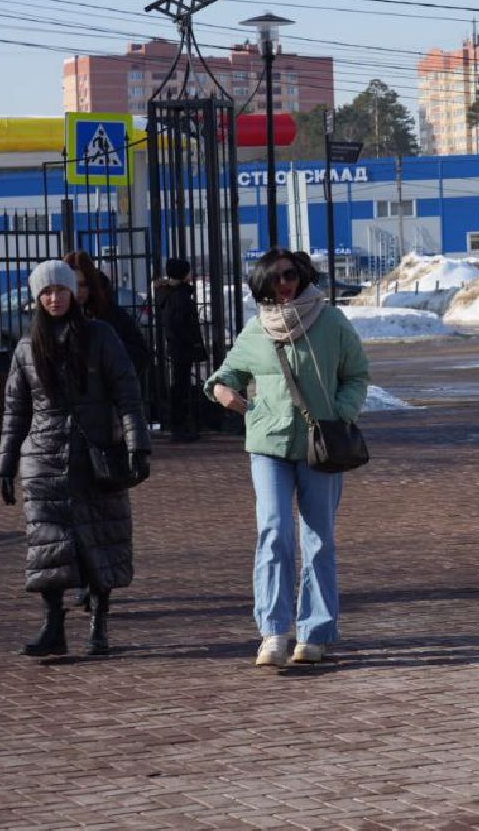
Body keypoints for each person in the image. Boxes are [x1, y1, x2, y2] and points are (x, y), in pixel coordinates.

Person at [204, 247, 369, 667]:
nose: (284, 283)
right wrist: (225, 392)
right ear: (261, 283)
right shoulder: (256, 330)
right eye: (275, 277)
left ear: (303, 275)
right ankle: (274, 631)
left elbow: (357, 374)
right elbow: (226, 375)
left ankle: (314, 632)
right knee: (274, 533)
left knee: (318, 540)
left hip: (321, 447)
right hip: (268, 445)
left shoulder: (330, 321)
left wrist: (339, 415)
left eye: (290, 274)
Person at [0, 260, 152, 657]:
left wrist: (137, 446)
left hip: (94, 454)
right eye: (45, 292)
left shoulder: (101, 336)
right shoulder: (28, 347)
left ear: (72, 293)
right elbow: (15, 410)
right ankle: (53, 625)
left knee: (97, 538)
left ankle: (99, 621)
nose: (53, 298)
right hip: (43, 459)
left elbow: (127, 395)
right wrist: (6, 465)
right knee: (47, 544)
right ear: (36, 298)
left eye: (60, 290)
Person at [64, 251, 151, 379]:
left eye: (82, 284)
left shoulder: (112, 314)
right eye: (72, 285)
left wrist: (108, 347)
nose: (77, 291)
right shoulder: (58, 315)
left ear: (91, 284)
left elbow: (141, 357)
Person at [153, 257, 207, 442]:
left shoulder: (168, 294)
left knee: (179, 386)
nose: (191, 275)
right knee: (181, 388)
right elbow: (181, 324)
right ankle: (179, 427)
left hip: (176, 347)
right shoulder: (179, 296)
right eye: (188, 272)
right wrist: (193, 342)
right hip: (182, 347)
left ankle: (180, 426)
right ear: (183, 274)